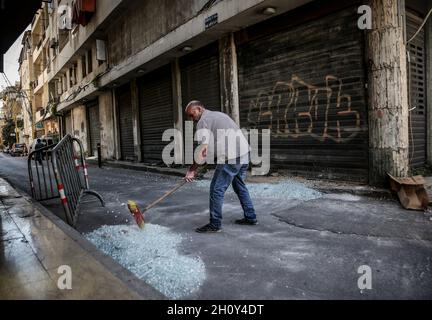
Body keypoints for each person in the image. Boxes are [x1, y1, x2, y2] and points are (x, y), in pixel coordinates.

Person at [184, 101, 258, 233]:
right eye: (189, 116)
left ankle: (215, 224)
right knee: (239, 186)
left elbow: (202, 150)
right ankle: (251, 217)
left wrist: (192, 170)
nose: (192, 118)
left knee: (216, 189)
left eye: (192, 114)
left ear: (199, 109)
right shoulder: (218, 115)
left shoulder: (203, 121)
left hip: (232, 156)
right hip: (244, 153)